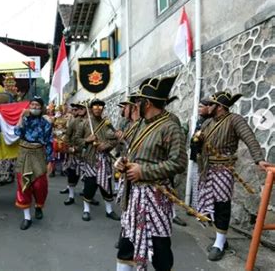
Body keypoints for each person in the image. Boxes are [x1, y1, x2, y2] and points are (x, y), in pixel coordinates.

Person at [115, 75, 187, 271]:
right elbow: (132, 152)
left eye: (138, 101)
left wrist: (143, 171)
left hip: (155, 197)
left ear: (146, 103)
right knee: (126, 245)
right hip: (134, 196)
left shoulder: (170, 127)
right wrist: (123, 162)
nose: (135, 105)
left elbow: (179, 162)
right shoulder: (139, 125)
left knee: (160, 249)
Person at [197, 91, 270, 261]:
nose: (208, 107)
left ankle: (219, 243)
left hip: (223, 169)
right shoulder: (208, 123)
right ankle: (220, 239)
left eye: (211, 104)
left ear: (220, 107)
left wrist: (259, 159)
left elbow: (249, 138)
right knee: (212, 206)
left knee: (222, 205)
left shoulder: (235, 119)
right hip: (207, 169)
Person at [75, 99, 120, 222]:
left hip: (104, 160)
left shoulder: (107, 123)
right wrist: (87, 140)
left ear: (103, 109)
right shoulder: (84, 124)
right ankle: (86, 210)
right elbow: (76, 140)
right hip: (90, 159)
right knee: (90, 185)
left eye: (100, 107)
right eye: (95, 107)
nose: (98, 109)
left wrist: (107, 145)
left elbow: (115, 138)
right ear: (90, 109)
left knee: (107, 186)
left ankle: (109, 210)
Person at [14, 96, 53, 230]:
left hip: (38, 154)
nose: (35, 107)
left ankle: (38, 206)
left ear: (41, 108)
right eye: (33, 105)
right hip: (24, 153)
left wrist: (50, 160)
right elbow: (17, 132)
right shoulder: (24, 119)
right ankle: (27, 217)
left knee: (40, 185)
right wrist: (21, 117)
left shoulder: (46, 122)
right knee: (23, 184)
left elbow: (49, 142)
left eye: (37, 105)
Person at [60, 102, 86, 205]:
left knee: (87, 176)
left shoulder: (91, 122)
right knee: (72, 174)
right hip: (75, 153)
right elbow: (67, 137)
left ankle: (86, 193)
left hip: (88, 153)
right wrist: (70, 148)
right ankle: (71, 196)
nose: (79, 111)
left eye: (82, 108)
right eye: (77, 109)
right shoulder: (73, 122)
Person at [188, 98, 211, 209]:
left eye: (202, 106)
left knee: (202, 184)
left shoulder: (210, 122)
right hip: (196, 156)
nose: (199, 109)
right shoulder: (200, 120)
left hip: (204, 158)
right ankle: (195, 207)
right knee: (195, 182)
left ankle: (201, 209)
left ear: (208, 108)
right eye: (199, 106)